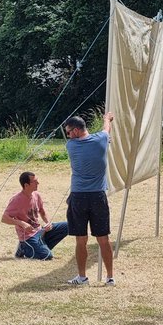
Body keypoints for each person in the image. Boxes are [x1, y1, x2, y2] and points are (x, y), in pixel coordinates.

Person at [62, 112, 115, 286]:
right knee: (103, 239)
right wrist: (107, 119)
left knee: (81, 239)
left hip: (78, 196)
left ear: (76, 131)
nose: (68, 135)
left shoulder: (71, 146)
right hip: (98, 195)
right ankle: (109, 277)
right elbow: (107, 130)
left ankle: (82, 276)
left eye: (69, 132)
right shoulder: (101, 140)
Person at [2, 171, 68, 260]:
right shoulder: (16, 200)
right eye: (35, 181)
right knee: (47, 256)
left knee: (68, 226)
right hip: (28, 237)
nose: (38, 183)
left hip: (40, 231)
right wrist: (22, 223)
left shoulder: (36, 195)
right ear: (26, 185)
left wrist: (48, 223)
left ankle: (41, 247)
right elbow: (4, 218)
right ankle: (24, 249)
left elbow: (42, 211)